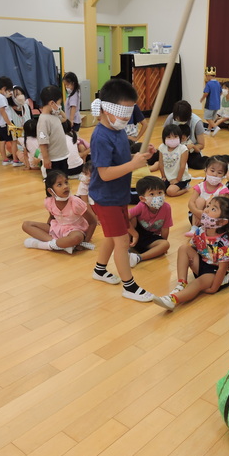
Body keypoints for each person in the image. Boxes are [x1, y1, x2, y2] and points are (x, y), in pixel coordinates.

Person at [88, 78, 154, 302]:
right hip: (105, 198)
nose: (127, 118)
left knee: (111, 236)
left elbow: (124, 155)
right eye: (123, 113)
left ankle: (99, 269)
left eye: (129, 113)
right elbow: (105, 173)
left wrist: (140, 154)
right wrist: (133, 165)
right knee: (122, 241)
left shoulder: (117, 130)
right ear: (106, 109)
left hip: (118, 195)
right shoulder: (100, 137)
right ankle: (129, 286)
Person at [153, 195, 229, 310]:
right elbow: (194, 248)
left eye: (213, 209)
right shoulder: (201, 230)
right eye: (208, 206)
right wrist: (191, 259)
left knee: (197, 283)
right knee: (183, 248)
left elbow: (222, 268)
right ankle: (181, 284)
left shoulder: (225, 243)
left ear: (222, 222)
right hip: (203, 264)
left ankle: (173, 299)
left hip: (216, 274)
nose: (206, 209)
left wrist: (214, 288)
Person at [22, 170, 96, 253]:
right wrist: (48, 230)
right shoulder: (49, 202)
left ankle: (45, 245)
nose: (65, 186)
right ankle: (60, 245)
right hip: (58, 227)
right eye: (59, 184)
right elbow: (52, 217)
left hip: (75, 230)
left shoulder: (75, 202)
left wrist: (85, 242)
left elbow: (93, 222)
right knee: (26, 225)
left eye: (66, 182)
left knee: (76, 238)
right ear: (50, 191)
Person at [128, 176, 172, 267]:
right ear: (142, 198)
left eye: (160, 193)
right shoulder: (141, 206)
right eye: (152, 194)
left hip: (150, 238)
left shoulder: (166, 207)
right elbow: (123, 218)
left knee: (165, 244)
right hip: (135, 235)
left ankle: (138, 258)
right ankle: (127, 247)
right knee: (132, 218)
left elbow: (165, 228)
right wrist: (134, 234)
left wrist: (162, 246)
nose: (157, 197)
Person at [163, 100, 207, 169]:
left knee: (195, 163)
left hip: (190, 151)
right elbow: (164, 137)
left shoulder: (197, 122)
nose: (180, 121)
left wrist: (191, 147)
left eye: (183, 120)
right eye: (178, 119)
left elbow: (201, 145)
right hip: (173, 150)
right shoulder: (171, 118)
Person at [188, 155, 229, 227]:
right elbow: (190, 203)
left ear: (224, 175)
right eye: (212, 171)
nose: (215, 174)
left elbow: (221, 210)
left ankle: (208, 227)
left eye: (219, 173)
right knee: (199, 201)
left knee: (211, 202)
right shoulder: (200, 186)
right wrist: (198, 213)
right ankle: (194, 228)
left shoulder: (223, 190)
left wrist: (206, 216)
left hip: (214, 219)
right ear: (206, 170)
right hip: (196, 216)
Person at [37, 85, 70, 173]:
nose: (60, 106)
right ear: (52, 103)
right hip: (53, 159)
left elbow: (65, 118)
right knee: (54, 182)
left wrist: (59, 110)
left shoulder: (54, 115)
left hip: (62, 156)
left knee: (63, 179)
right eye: (59, 103)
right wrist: (46, 158)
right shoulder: (43, 120)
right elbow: (42, 142)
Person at [158, 124, 191, 197]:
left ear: (180, 137)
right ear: (164, 138)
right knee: (158, 189)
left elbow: (182, 166)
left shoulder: (183, 149)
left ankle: (185, 188)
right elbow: (161, 163)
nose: (172, 139)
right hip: (167, 177)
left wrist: (177, 179)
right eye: (169, 137)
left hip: (181, 178)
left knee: (170, 192)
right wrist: (163, 176)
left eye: (175, 136)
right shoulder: (162, 147)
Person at [201, 67, 222, 135]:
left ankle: (215, 127)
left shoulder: (209, 84)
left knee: (207, 118)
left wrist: (202, 99)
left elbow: (206, 93)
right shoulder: (218, 83)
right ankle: (208, 130)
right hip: (217, 104)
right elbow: (221, 92)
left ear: (209, 75)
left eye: (206, 76)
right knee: (212, 118)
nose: (206, 77)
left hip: (210, 104)